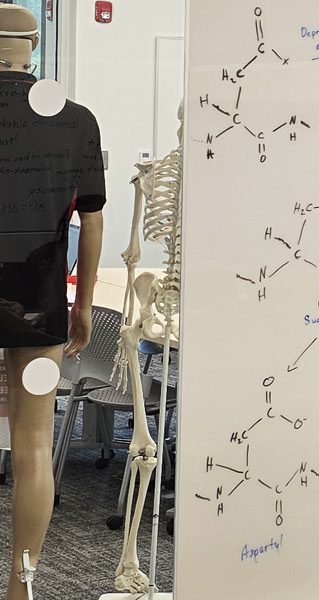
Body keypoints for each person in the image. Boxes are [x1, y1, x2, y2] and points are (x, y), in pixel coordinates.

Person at [0, 3, 105, 594]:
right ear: (34, 46)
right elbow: (91, 223)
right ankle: (22, 586)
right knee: (35, 444)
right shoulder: (76, 120)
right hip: (40, 306)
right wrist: (82, 305)